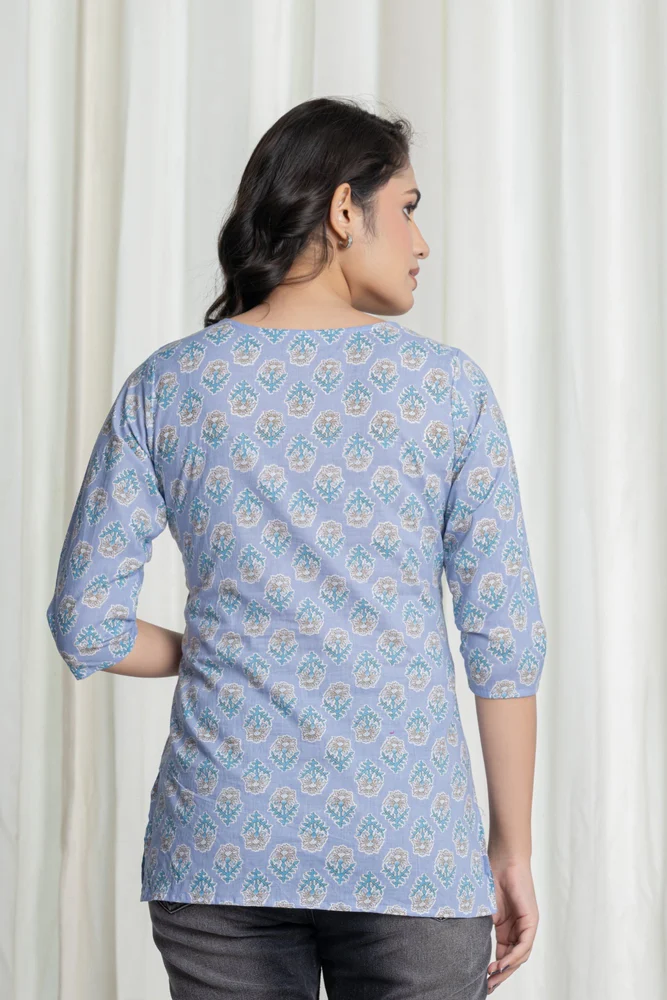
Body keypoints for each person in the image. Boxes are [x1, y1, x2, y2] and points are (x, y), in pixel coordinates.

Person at [45, 96, 547, 999]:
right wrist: (510, 849)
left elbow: (86, 624)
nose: (422, 243)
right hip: (408, 850)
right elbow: (502, 642)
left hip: (218, 846)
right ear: (344, 209)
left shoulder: (170, 385)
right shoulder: (446, 390)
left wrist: (222, 648)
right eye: (408, 208)